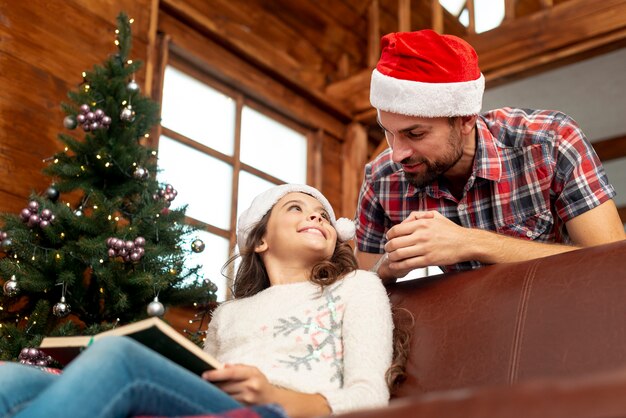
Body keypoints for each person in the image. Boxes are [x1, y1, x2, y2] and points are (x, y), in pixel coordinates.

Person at [0, 184, 395, 418]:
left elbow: (370, 397)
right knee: (9, 377)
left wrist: (272, 395)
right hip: (211, 404)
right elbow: (199, 381)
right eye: (297, 208)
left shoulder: (358, 286)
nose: (319, 218)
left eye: (325, 216)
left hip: (275, 410)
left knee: (119, 357)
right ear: (260, 240)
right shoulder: (230, 313)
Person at [355, 29, 626, 283]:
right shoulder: (380, 180)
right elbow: (362, 287)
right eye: (387, 132)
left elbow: (611, 263)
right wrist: (388, 265)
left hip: (560, 313)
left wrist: (468, 243)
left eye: (415, 134)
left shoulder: (551, 142)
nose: (397, 154)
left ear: (465, 121)